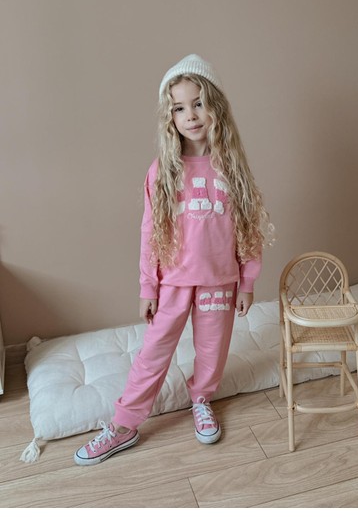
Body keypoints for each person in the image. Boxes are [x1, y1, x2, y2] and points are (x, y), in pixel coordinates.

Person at [74, 54, 273, 466]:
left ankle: (201, 399)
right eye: (179, 108)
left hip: (220, 280)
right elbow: (150, 232)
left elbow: (249, 229)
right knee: (153, 353)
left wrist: (247, 281)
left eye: (198, 103)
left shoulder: (232, 167)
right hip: (174, 282)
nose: (191, 115)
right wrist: (148, 287)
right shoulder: (163, 170)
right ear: (170, 117)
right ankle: (124, 424)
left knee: (212, 350)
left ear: (215, 106)